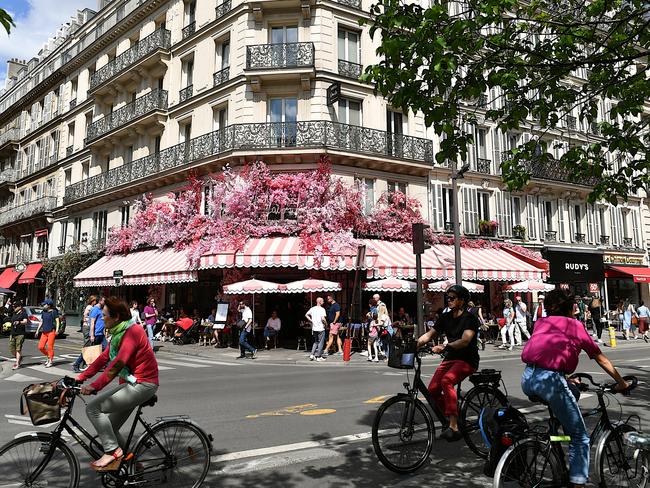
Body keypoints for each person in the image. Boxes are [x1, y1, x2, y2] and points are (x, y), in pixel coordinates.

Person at [520, 289, 629, 488]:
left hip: (529, 377)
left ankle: (557, 442)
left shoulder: (541, 323)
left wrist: (566, 377)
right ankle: (578, 483)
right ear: (571, 308)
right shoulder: (575, 325)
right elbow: (600, 358)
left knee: (572, 394)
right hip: (551, 381)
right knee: (579, 437)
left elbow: (546, 352)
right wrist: (621, 383)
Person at [76, 296, 159, 471]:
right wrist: (80, 377)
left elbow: (118, 363)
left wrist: (95, 386)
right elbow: (103, 358)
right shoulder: (118, 332)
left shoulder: (133, 331)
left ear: (116, 317)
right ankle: (134, 466)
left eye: (105, 315)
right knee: (110, 428)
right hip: (131, 384)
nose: (101, 318)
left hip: (143, 384)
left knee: (93, 409)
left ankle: (113, 451)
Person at [416, 285, 480, 441]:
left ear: (462, 301)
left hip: (467, 359)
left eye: (452, 298)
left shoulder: (470, 318)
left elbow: (465, 341)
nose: (449, 301)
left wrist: (444, 346)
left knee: (447, 380)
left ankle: (453, 426)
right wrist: (413, 345)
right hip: (451, 358)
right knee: (432, 391)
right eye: (448, 298)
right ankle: (453, 414)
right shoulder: (445, 317)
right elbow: (429, 335)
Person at [73, 295, 97, 373]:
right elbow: (85, 318)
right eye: (95, 301)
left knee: (89, 346)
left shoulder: (90, 308)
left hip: (88, 327)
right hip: (87, 327)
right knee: (87, 346)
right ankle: (78, 364)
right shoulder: (90, 308)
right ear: (92, 301)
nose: (95, 302)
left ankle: (85, 363)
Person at [36, 298, 60, 368]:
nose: (43, 305)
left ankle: (50, 361)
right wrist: (38, 330)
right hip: (44, 332)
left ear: (49, 305)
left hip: (51, 332)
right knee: (41, 347)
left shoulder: (54, 312)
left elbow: (57, 321)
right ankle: (48, 356)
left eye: (45, 304)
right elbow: (41, 321)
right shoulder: (43, 312)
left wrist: (57, 330)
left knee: (50, 347)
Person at [306, 297, 328, 362]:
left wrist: (311, 320)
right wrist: (326, 324)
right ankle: (319, 356)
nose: (323, 302)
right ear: (319, 302)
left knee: (316, 341)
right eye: (323, 301)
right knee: (321, 342)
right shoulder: (322, 309)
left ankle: (312, 355)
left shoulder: (312, 308)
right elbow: (323, 318)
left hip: (314, 328)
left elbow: (306, 315)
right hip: (321, 328)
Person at [9, 300, 28, 370]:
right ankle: (19, 357)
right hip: (13, 333)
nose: (14, 308)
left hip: (20, 334)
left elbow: (25, 321)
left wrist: (19, 322)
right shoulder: (14, 313)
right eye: (14, 306)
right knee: (11, 349)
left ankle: (17, 363)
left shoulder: (24, 313)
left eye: (15, 307)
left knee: (18, 349)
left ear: (20, 307)